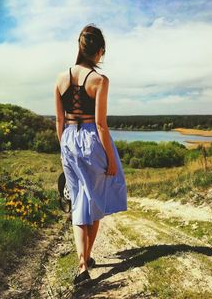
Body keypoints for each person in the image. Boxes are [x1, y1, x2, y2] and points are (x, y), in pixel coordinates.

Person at [54, 23, 127, 285]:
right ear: (100, 52)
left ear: (79, 47)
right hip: (90, 140)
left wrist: (65, 150)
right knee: (94, 201)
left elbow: (59, 122)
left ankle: (83, 264)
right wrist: (110, 158)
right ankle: (87, 258)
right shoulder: (100, 80)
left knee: (77, 202)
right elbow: (100, 124)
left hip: (68, 141)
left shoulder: (61, 78)